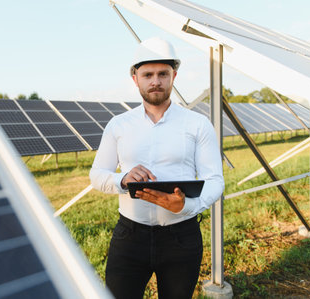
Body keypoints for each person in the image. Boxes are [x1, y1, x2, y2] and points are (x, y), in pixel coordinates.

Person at [89, 37, 224, 299]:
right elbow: (96, 175)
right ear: (135, 78)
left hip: (181, 236)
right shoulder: (118, 125)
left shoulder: (197, 124)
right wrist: (123, 179)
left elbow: (215, 180)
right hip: (130, 236)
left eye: (163, 73)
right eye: (147, 74)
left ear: (174, 76)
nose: (155, 81)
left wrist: (187, 206)